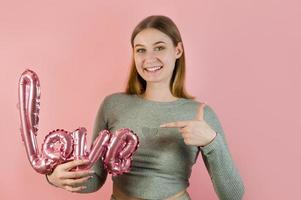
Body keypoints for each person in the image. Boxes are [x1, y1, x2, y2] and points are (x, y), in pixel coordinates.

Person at [46, 15, 245, 200]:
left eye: (159, 47)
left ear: (178, 50)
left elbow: (233, 196)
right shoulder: (113, 105)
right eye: (141, 49)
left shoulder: (199, 114)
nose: (149, 58)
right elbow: (95, 179)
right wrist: (54, 177)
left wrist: (212, 142)